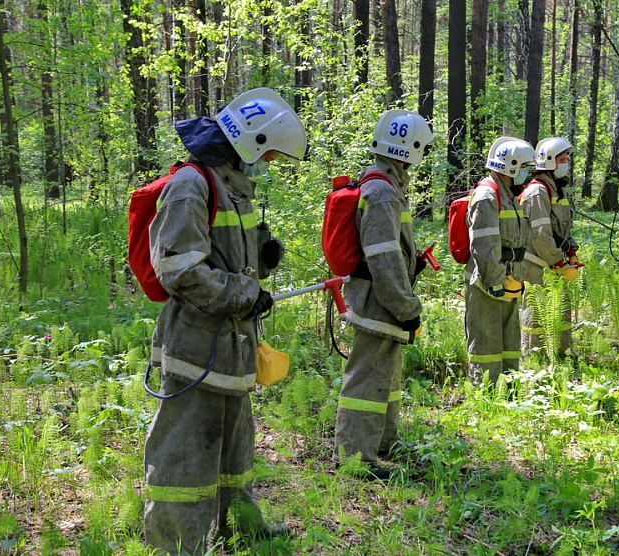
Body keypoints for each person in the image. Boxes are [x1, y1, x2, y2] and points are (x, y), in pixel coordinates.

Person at [143, 87, 306, 555]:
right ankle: (175, 545)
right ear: (252, 140)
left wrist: (264, 255)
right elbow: (180, 271)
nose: (270, 162)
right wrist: (246, 293)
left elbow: (232, 254)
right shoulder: (191, 185)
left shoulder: (233, 182)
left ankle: (239, 529)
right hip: (196, 349)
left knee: (235, 452)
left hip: (233, 345)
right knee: (185, 459)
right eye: (270, 152)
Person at [333, 109, 434, 481]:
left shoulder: (383, 186)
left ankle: (384, 443)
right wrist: (407, 307)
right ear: (411, 148)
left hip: (382, 298)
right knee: (366, 379)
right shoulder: (382, 192)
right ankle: (355, 458)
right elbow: (384, 259)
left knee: (386, 377)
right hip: (379, 300)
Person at [464, 137, 534, 387]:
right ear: (510, 167)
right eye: (525, 167)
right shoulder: (487, 196)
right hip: (487, 282)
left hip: (510, 279)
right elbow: (484, 245)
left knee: (508, 339)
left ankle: (509, 389)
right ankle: (486, 394)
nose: (528, 174)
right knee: (486, 340)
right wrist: (494, 280)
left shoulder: (510, 197)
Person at [520, 137, 580, 357]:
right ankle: (534, 355)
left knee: (560, 306)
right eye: (562, 159)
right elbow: (540, 235)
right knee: (536, 308)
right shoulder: (538, 192)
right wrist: (557, 260)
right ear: (549, 162)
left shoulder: (557, 189)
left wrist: (570, 250)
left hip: (555, 260)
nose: (566, 164)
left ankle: (562, 352)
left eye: (566, 159)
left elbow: (563, 228)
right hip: (538, 262)